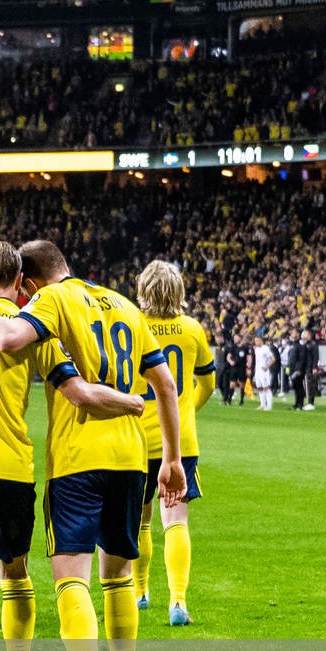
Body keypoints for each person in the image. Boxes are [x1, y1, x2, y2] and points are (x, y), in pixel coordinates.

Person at [0, 240, 184, 651]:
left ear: (27, 284)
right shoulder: (124, 303)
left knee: (70, 581)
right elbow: (165, 384)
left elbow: (10, 339)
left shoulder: (50, 302)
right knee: (118, 577)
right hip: (129, 458)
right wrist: (172, 458)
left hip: (76, 460)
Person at [131, 261, 214, 627]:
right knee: (176, 519)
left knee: (140, 520)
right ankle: (178, 602)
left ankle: (140, 593)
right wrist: (184, 413)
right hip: (179, 444)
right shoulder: (193, 329)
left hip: (138, 438)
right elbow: (208, 383)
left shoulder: (132, 325)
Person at [254, 336, 277, 411]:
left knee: (266, 387)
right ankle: (262, 404)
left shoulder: (266, 348)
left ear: (261, 341)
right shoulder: (256, 349)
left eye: (257, 340)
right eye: (255, 341)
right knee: (259, 388)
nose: (256, 342)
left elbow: (273, 359)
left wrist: (267, 366)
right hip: (258, 371)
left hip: (264, 371)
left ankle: (269, 405)